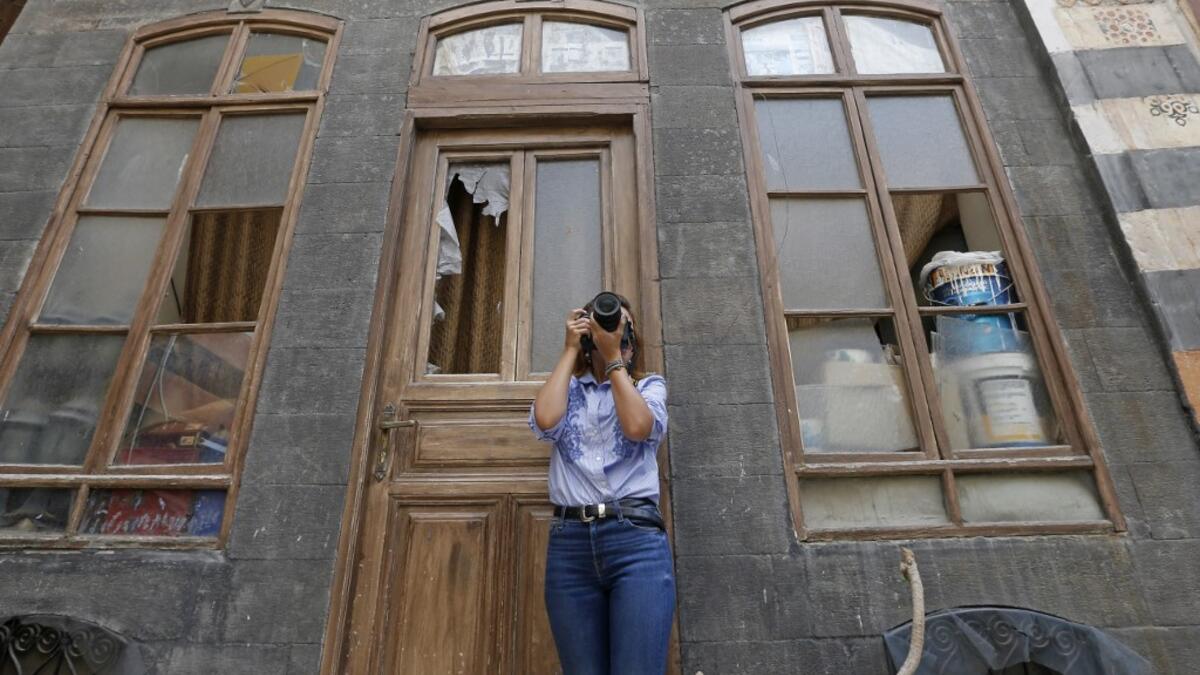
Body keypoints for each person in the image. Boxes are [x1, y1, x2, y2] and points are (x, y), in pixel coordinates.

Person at [529, 294, 675, 675]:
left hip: (635, 543)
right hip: (570, 545)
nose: (617, 332)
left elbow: (638, 427)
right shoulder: (570, 390)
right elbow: (545, 420)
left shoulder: (648, 386)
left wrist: (613, 361)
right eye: (606, 326)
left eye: (624, 327)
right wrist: (570, 351)